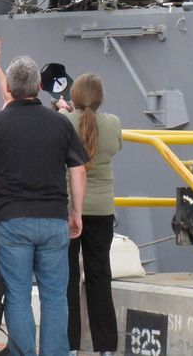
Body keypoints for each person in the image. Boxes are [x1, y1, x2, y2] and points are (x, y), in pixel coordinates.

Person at [0, 55, 88, 356]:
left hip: (12, 220)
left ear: (8, 87)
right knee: (55, 296)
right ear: (38, 86)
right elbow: (78, 170)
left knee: (18, 295)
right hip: (53, 220)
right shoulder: (60, 123)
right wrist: (76, 213)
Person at [56, 75, 123, 356]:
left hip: (70, 209)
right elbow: (116, 146)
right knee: (99, 276)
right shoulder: (113, 123)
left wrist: (64, 114)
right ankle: (106, 347)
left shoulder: (64, 123)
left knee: (68, 279)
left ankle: (70, 345)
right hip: (102, 210)